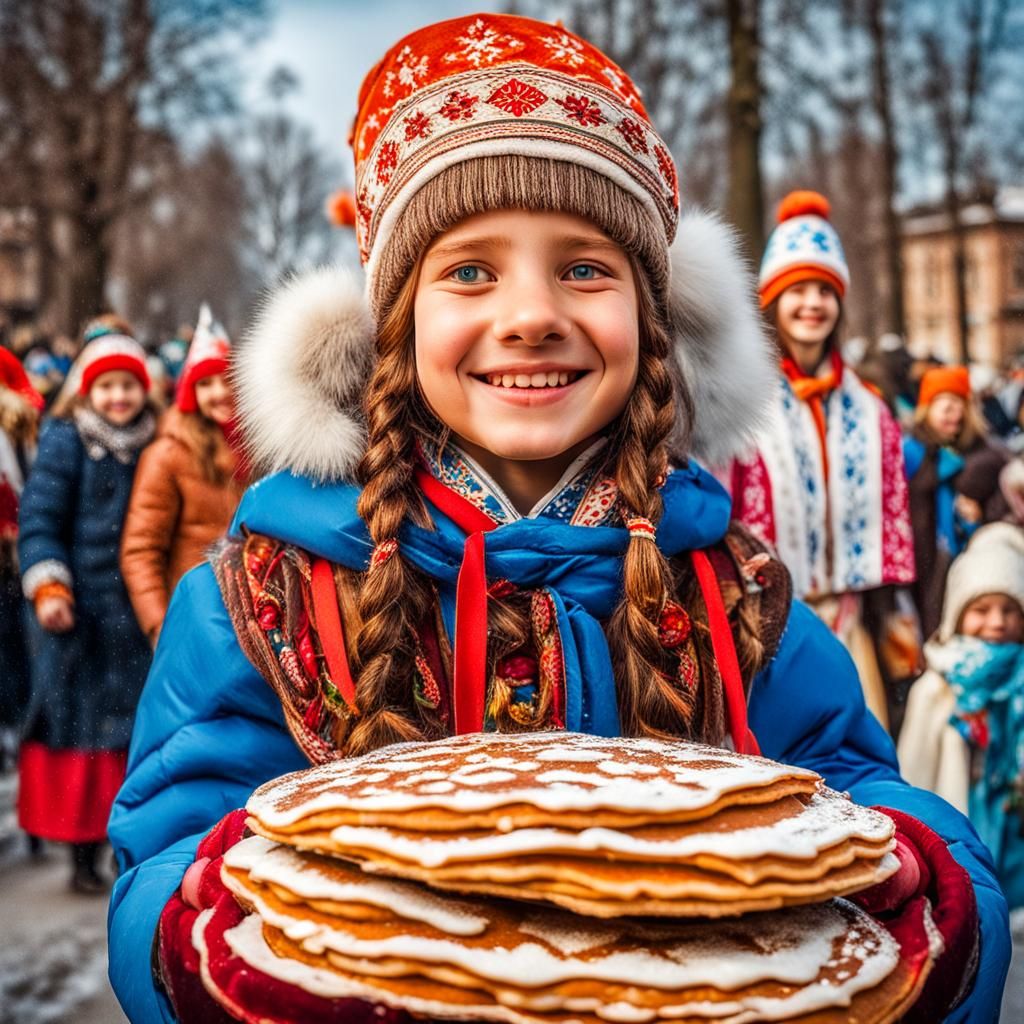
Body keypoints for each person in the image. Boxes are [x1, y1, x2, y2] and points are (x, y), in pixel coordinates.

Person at [107, 15, 1008, 1023]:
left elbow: (849, 789)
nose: (531, 312)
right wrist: (223, 947)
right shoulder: (264, 595)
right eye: (470, 270)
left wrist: (934, 885)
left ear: (655, 324)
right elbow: (171, 848)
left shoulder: (731, 587)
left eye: (584, 266)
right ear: (391, 322)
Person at [723, 190, 915, 730]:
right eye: (798, 289)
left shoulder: (868, 406)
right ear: (774, 300)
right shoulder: (744, 398)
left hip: (853, 623)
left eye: (825, 291)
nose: (813, 304)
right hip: (769, 624)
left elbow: (894, 514)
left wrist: (899, 633)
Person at [17, 326, 156, 893]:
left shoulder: (153, 443)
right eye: (108, 387)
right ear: (87, 392)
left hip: (132, 614)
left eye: (129, 385)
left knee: (128, 738)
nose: (119, 398)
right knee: (80, 736)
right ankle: (79, 851)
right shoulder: (65, 440)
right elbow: (40, 521)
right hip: (77, 617)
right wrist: (49, 585)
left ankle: (126, 842)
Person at [898, 523, 1024, 908]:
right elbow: (914, 767)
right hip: (958, 818)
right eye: (981, 610)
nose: (997, 622)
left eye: (1010, 610)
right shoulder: (938, 686)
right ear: (957, 615)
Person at [121, 305, 249, 646]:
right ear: (191, 393)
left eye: (226, 379)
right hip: (196, 621)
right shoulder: (166, 455)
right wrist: (160, 627)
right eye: (205, 384)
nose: (219, 392)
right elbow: (141, 550)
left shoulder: (261, 447)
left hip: (259, 624)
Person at [904, 365, 1009, 638]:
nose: (952, 412)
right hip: (922, 552)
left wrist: (976, 510)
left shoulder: (981, 454)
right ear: (928, 408)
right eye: (944, 404)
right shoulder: (912, 451)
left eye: (958, 403)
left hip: (965, 553)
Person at [0, 348, 43, 763]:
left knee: (11, 645)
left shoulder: (15, 427)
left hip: (11, 553)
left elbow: (25, 488)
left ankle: (13, 723)